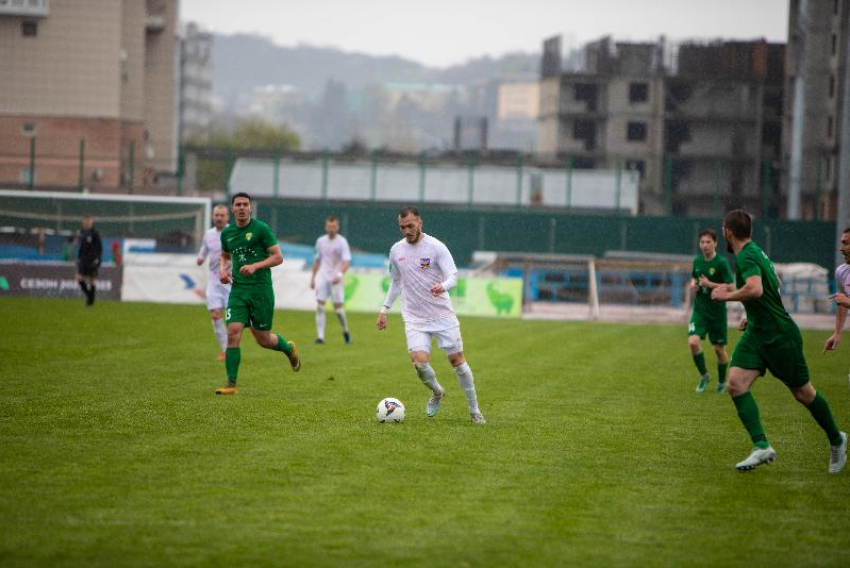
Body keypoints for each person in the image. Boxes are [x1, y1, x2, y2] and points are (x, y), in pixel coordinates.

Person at [710, 209, 846, 473]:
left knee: (803, 393)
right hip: (757, 333)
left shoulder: (747, 255)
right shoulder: (756, 252)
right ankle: (761, 446)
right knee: (736, 384)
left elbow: (757, 289)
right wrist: (752, 316)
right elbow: (776, 286)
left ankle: (837, 438)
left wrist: (725, 297)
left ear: (727, 231)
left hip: (779, 335)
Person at [375, 206, 485, 424]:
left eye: (411, 225)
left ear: (420, 223)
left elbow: (454, 276)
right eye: (402, 227)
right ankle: (437, 392)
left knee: (457, 361)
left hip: (441, 314)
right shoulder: (396, 250)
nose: (407, 230)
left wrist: (443, 286)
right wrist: (384, 310)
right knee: (419, 363)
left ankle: (474, 410)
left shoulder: (436, 247)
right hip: (414, 317)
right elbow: (396, 282)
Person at [215, 192, 300, 395]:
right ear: (233, 208)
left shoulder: (261, 229)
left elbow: (278, 257)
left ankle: (288, 349)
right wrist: (222, 269)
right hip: (238, 291)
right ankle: (231, 384)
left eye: (245, 204)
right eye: (238, 204)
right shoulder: (227, 234)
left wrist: (256, 266)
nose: (242, 207)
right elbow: (225, 255)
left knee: (263, 339)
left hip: (260, 291)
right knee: (233, 332)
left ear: (250, 208)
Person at [686, 229, 733, 393]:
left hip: (717, 312)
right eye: (702, 242)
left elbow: (731, 286)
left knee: (719, 350)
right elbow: (694, 277)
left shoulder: (721, 263)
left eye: (708, 242)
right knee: (692, 342)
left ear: (715, 243)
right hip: (700, 310)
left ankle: (721, 382)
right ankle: (704, 376)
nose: (704, 245)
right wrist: (694, 285)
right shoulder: (697, 261)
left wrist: (710, 284)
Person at [310, 215, 352, 345]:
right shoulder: (320, 241)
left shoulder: (342, 242)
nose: (331, 229)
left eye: (334, 226)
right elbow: (317, 260)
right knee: (320, 306)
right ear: (326, 227)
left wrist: (339, 275)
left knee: (338, 310)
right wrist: (312, 278)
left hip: (336, 278)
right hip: (323, 276)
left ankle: (345, 329)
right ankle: (320, 337)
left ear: (337, 227)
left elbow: (346, 261)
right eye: (329, 226)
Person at [197, 204, 232, 361]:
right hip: (213, 280)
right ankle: (225, 350)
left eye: (222, 215)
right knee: (216, 314)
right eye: (216, 215)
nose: (219, 218)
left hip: (232, 281)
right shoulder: (208, 234)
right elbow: (204, 249)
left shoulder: (233, 232)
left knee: (234, 319)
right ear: (213, 217)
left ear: (227, 217)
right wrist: (200, 257)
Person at [823, 226, 850, 353]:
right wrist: (837, 333)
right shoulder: (842, 272)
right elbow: (842, 301)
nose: (841, 248)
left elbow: (846, 301)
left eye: (846, 243)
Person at [76, 215, 102, 306]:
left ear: (91, 222)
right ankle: (89, 296)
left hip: (92, 259)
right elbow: (81, 247)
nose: (86, 223)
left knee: (92, 280)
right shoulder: (81, 232)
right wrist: (79, 257)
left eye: (88, 221)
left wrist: (98, 259)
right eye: (85, 221)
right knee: (79, 279)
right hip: (83, 259)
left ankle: (90, 301)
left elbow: (99, 248)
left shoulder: (95, 233)